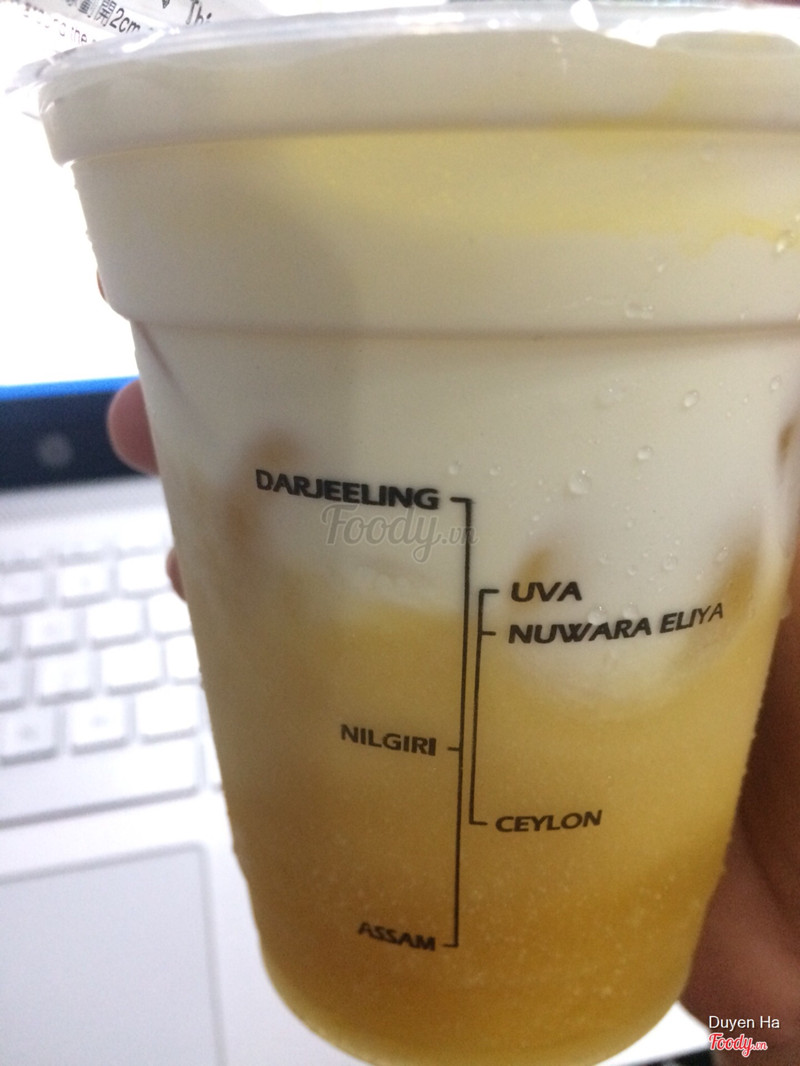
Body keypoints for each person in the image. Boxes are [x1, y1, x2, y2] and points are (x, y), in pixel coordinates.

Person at [107, 379, 800, 1065]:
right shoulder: (765, 1004)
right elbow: (765, 1024)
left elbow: (765, 1026)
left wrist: (776, 1028)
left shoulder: (766, 1005)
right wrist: (774, 1028)